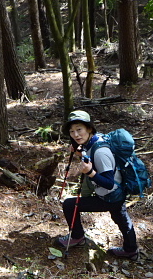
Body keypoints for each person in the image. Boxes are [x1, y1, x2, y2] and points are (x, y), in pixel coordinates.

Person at [55, 110, 139, 259]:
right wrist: (81, 154)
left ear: (89, 129)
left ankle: (77, 236)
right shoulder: (94, 141)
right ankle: (131, 249)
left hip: (110, 195)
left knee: (69, 204)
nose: (75, 134)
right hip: (118, 191)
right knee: (121, 218)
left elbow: (107, 183)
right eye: (72, 131)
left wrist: (90, 173)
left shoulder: (101, 152)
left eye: (79, 129)